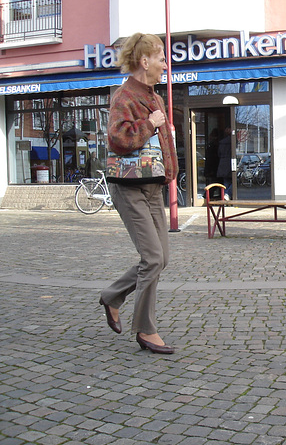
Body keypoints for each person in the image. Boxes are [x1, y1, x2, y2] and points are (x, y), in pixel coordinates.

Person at [98, 33, 178, 354]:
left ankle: (112, 296)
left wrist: (169, 174)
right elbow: (119, 138)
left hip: (152, 185)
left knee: (162, 258)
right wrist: (149, 123)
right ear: (144, 61)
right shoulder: (125, 96)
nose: (165, 65)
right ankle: (145, 330)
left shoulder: (155, 97)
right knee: (153, 257)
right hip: (129, 187)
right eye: (161, 58)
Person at [217, 127, 232, 200]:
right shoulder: (233, 142)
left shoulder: (221, 142)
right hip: (230, 162)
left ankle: (226, 196)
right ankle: (227, 194)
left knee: (226, 182)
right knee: (235, 181)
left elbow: (219, 153)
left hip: (222, 163)